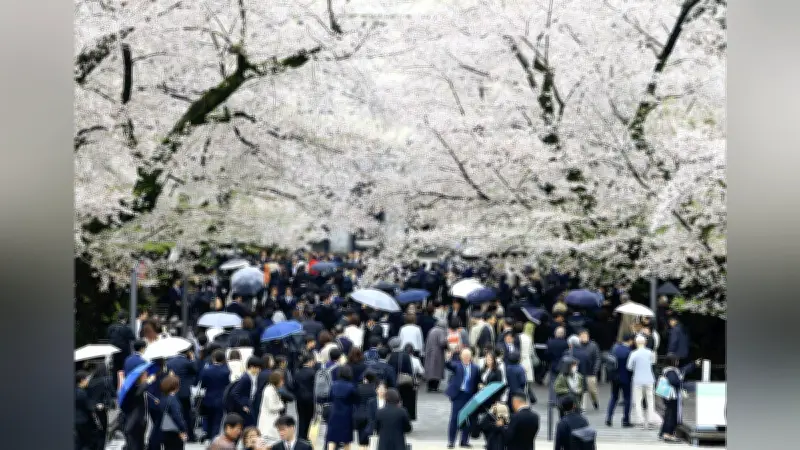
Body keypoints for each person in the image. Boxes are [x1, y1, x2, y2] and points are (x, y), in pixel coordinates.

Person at [658, 355, 700, 442]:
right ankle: (668, 434)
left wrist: (693, 364)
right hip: (672, 396)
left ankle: (663, 432)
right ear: (673, 361)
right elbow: (674, 381)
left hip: (667, 396)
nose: (678, 362)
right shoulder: (671, 371)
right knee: (672, 415)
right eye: (676, 360)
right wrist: (682, 384)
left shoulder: (668, 370)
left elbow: (683, 370)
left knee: (668, 414)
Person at [444, 347, 480, 448]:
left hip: (469, 395)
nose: (466, 358)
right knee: (455, 418)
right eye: (464, 356)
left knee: (467, 418)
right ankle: (451, 441)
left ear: (471, 357)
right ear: (461, 357)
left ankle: (464, 440)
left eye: (468, 356)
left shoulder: (475, 368)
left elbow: (477, 381)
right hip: (459, 394)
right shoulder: (457, 366)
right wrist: (448, 358)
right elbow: (448, 365)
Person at [199, 349, 231, 443]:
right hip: (221, 398)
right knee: (217, 420)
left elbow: (203, 384)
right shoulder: (227, 371)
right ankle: (214, 438)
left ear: (213, 358)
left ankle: (207, 435)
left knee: (208, 418)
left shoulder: (206, 370)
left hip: (208, 397)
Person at [119, 369, 156, 450]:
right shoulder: (133, 388)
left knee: (140, 444)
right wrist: (149, 381)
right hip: (134, 423)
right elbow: (139, 391)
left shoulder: (139, 387)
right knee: (134, 445)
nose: (147, 377)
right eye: (145, 376)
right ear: (141, 377)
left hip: (141, 422)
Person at [167, 348, 198, 442]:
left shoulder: (170, 362)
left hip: (173, 390)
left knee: (175, 413)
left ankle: (177, 434)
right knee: (187, 414)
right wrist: (192, 359)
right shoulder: (187, 362)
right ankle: (190, 435)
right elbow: (196, 370)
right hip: (185, 392)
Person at [626, 335, 657, 428]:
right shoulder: (650, 352)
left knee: (638, 400)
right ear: (645, 343)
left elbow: (629, 367)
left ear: (636, 343)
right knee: (650, 400)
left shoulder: (634, 353)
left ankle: (640, 420)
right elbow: (653, 362)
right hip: (649, 379)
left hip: (638, 379)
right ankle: (651, 419)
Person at [326, 364, 359, 450]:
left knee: (332, 439)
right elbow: (355, 400)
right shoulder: (351, 387)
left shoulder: (333, 385)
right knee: (346, 440)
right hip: (346, 415)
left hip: (334, 414)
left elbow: (329, 398)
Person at [605, 334, 634, 428]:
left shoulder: (615, 349)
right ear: (630, 341)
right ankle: (626, 420)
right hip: (626, 378)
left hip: (615, 377)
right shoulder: (629, 351)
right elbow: (631, 367)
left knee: (614, 397)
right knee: (627, 399)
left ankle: (609, 418)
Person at [229, 357, 263, 427]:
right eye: (258, 368)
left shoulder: (252, 376)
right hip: (246, 407)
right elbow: (234, 393)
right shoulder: (245, 378)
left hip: (250, 404)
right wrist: (243, 406)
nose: (259, 370)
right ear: (252, 367)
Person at [387, 337, 415, 419]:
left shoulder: (390, 356)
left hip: (392, 381)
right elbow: (410, 370)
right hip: (404, 381)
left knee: (393, 400)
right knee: (406, 401)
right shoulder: (406, 355)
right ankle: (405, 417)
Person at [159, 374, 188, 450]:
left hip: (165, 430)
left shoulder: (163, 399)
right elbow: (177, 415)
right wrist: (183, 429)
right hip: (175, 431)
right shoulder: (173, 400)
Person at [292, 354, 318, 441]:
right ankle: (305, 435)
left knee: (301, 417)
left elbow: (294, 386)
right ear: (310, 361)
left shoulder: (298, 372)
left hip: (299, 399)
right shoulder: (313, 372)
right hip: (310, 399)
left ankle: (300, 435)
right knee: (309, 417)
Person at [258, 370, 286, 443]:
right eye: (282, 380)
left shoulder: (270, 388)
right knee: (271, 440)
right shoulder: (270, 391)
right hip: (269, 421)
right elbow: (272, 407)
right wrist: (281, 405)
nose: (283, 382)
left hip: (269, 419)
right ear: (277, 380)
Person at [75, 371, 100, 450]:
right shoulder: (82, 393)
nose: (88, 381)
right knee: (89, 442)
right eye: (86, 379)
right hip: (84, 421)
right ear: (82, 380)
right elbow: (89, 406)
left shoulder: (74, 391)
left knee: (80, 442)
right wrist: (97, 406)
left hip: (76, 421)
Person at [355, 371, 379, 450]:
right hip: (371, 415)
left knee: (361, 437)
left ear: (365, 379)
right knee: (370, 437)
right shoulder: (374, 389)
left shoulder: (359, 387)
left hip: (359, 414)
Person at [577, 329, 600, 410]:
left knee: (592, 390)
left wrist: (595, 369)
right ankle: (582, 407)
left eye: (585, 336)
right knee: (582, 390)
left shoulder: (593, 346)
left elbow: (597, 358)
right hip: (580, 372)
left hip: (591, 372)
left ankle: (595, 401)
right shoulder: (577, 346)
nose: (584, 337)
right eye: (582, 336)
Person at [424, 318, 448, 392]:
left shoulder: (432, 330)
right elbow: (442, 342)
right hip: (437, 353)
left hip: (429, 351)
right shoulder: (441, 331)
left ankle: (429, 387)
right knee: (437, 370)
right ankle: (434, 387)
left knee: (430, 369)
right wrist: (447, 343)